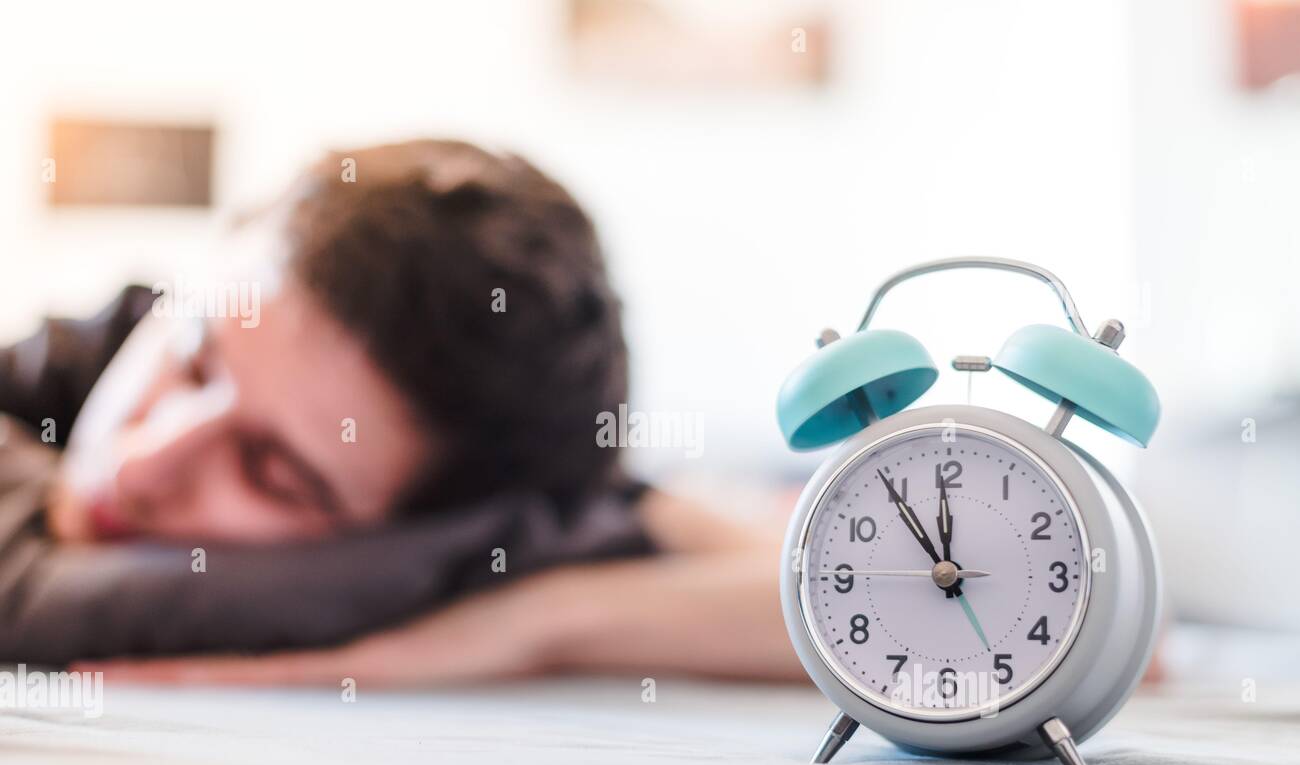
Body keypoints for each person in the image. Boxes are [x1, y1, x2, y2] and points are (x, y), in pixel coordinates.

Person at [0, 139, 800, 684]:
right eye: (194, 358)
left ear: (415, 536)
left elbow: (849, 598)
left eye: (275, 475)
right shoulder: (83, 350)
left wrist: (541, 624)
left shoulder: (488, 527)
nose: (143, 462)